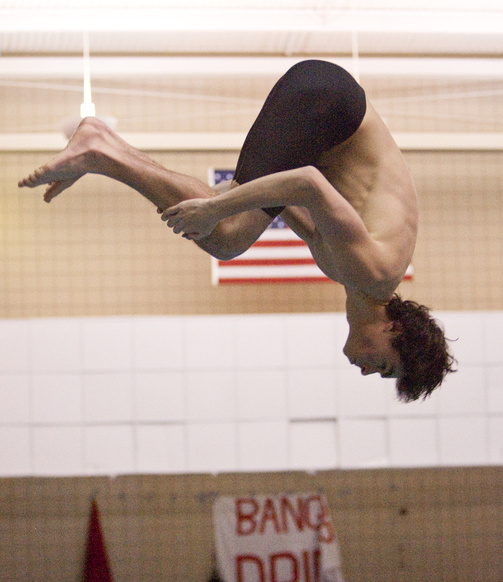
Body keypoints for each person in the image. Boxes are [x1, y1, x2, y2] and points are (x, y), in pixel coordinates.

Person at [18, 60, 455, 402]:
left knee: (227, 228)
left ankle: (103, 148)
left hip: (329, 104)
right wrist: (217, 207)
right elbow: (306, 183)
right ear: (396, 333)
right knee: (227, 233)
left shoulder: (356, 276)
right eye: (385, 367)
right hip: (329, 105)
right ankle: (100, 151)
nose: (368, 371)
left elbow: (291, 201)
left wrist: (222, 202)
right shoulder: (373, 273)